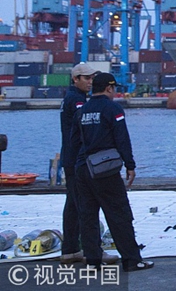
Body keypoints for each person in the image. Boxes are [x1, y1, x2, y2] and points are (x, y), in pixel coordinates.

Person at [72, 72, 153, 272]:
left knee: (88, 216)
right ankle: (132, 260)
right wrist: (130, 165)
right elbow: (121, 138)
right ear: (109, 88)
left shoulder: (82, 111)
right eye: (114, 88)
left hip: (83, 168)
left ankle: (93, 261)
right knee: (119, 214)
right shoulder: (113, 109)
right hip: (105, 170)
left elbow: (74, 141)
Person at [59, 63, 96, 264]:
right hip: (75, 159)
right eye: (86, 78)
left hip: (69, 157)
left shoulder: (70, 98)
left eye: (92, 78)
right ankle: (89, 250)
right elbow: (84, 130)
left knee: (73, 204)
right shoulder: (77, 101)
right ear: (75, 79)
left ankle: (71, 249)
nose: (90, 82)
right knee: (83, 205)